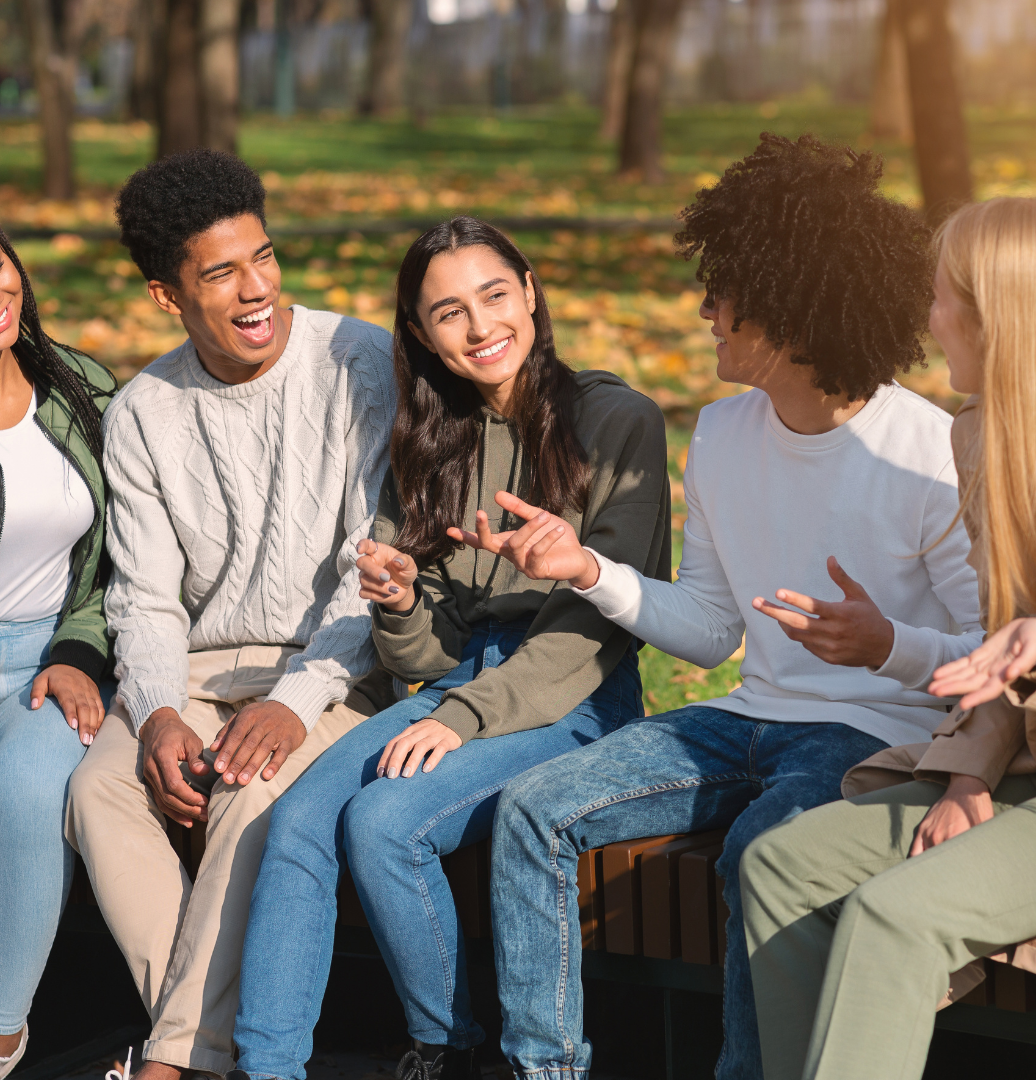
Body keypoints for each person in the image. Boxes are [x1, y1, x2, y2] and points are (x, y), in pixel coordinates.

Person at [472, 134, 985, 1080]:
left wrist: (886, 647)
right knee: (530, 811)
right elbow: (710, 631)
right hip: (746, 720)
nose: (704, 310)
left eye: (725, 293)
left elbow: (984, 657)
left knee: (761, 850)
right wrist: (585, 567)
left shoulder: (925, 453)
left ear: (788, 311)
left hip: (868, 736)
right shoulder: (719, 433)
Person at [228, 216, 670, 1080]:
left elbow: (601, 624)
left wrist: (464, 716)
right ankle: (264, 1067)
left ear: (531, 293)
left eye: (495, 296)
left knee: (387, 823)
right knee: (296, 825)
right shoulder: (432, 438)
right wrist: (396, 602)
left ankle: (448, 1050)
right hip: (464, 688)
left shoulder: (618, 420)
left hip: (575, 694)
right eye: (449, 313)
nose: (479, 327)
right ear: (423, 336)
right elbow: (429, 659)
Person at [64, 149, 398, 1080]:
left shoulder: (358, 361)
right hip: (204, 673)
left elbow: (365, 574)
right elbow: (145, 596)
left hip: (338, 663)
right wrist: (161, 709)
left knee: (250, 794)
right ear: (167, 296)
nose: (257, 290)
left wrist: (297, 701)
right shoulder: (141, 411)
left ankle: (174, 1065)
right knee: (99, 788)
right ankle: (202, 1044)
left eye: (264, 256)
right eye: (220, 273)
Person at [740, 196, 1036, 1080]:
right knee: (780, 864)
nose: (925, 321)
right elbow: (1006, 638)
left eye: (937, 298)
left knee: (896, 912)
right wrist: (968, 771)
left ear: (995, 312)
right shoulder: (981, 435)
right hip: (1035, 767)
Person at [0, 227, 116, 1080]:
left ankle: (3, 1031)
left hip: (50, 654)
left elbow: (131, 554)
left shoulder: (81, 389)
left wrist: (83, 648)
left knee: (34, 789)